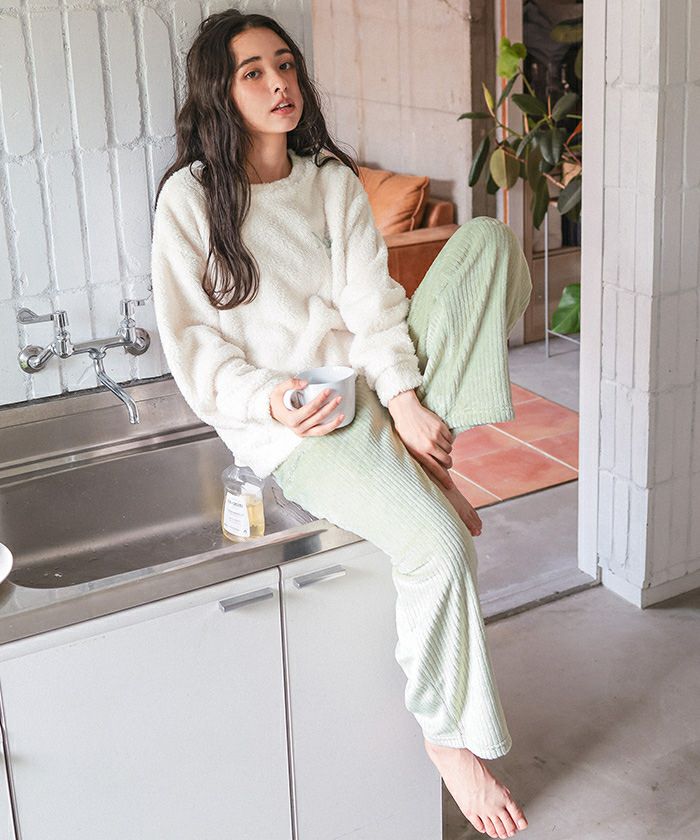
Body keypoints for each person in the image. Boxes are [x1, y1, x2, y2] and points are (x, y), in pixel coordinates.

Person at [150, 9, 532, 839]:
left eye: (285, 64)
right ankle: (446, 738)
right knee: (441, 548)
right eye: (254, 71)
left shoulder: (328, 179)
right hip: (301, 423)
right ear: (220, 91)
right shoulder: (190, 199)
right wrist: (272, 398)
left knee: (488, 243)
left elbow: (371, 303)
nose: (279, 82)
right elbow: (192, 345)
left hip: (367, 384)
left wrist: (402, 397)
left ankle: (422, 459)